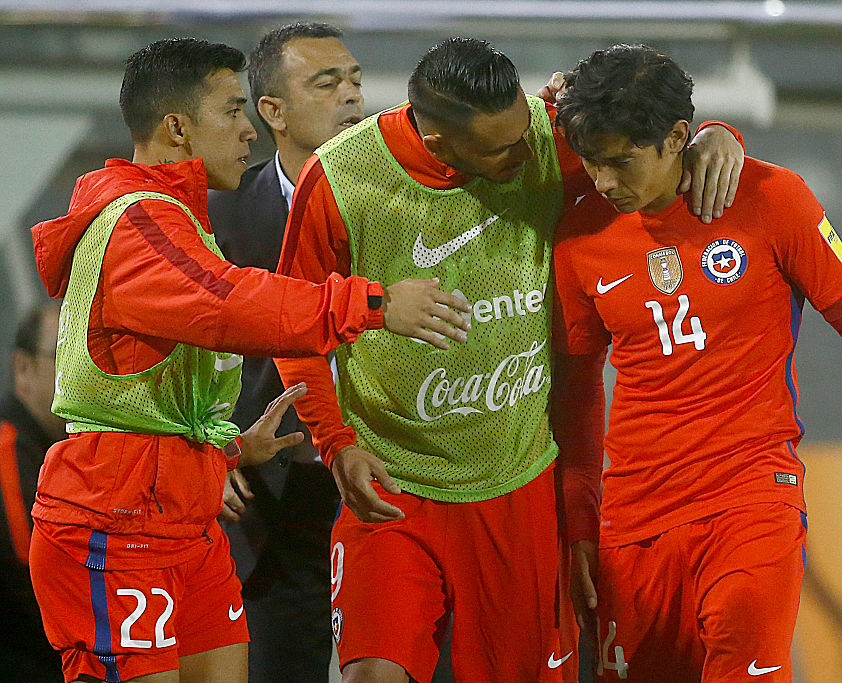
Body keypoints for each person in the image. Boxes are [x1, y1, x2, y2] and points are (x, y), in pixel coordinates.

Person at [273, 37, 744, 683]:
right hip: (394, 487)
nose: (527, 154)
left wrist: (718, 136)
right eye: (502, 149)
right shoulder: (341, 179)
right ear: (439, 143)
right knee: (370, 674)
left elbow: (652, 147)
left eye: (525, 132)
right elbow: (293, 328)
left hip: (519, 493)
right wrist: (336, 443)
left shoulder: (544, 136)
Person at [549, 44, 842, 682]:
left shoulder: (770, 198)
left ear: (676, 138)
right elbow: (577, 394)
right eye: (593, 163)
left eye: (621, 162)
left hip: (751, 499)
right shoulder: (578, 237)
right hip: (634, 518)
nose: (604, 181)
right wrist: (581, 524)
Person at [27, 37, 469, 683]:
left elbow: (151, 401)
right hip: (112, 522)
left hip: (185, 518)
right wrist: (373, 303)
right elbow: (231, 304)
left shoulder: (177, 217)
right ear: (177, 128)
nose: (248, 130)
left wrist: (227, 451)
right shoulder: (137, 223)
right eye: (234, 111)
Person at [207, 23, 363, 682]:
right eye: (326, 84)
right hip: (271, 497)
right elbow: (180, 356)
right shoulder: (218, 216)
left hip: (390, 482)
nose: (351, 96)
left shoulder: (409, 205)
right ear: (271, 110)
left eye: (353, 80)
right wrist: (210, 449)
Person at [0, 302, 64, 681]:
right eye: (63, 357)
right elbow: (32, 579)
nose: (80, 376)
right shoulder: (7, 449)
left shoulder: (71, 449)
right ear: (23, 367)